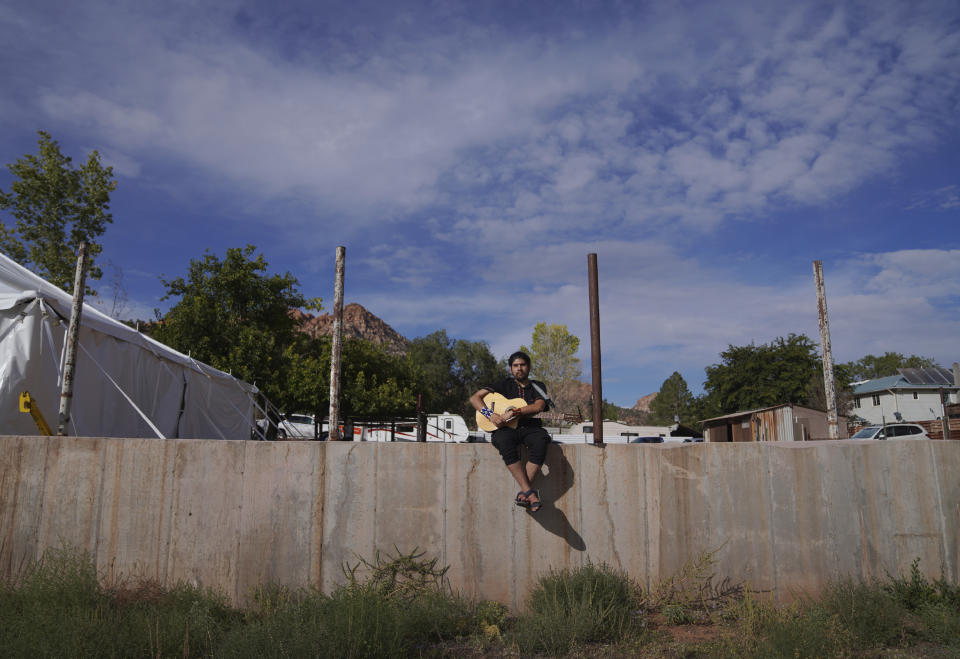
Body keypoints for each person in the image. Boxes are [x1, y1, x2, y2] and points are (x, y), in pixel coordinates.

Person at [469, 351, 551, 512]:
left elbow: (538, 406)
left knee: (541, 440)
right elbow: (475, 399)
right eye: (515, 366)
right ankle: (529, 492)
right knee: (503, 441)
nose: (519, 368)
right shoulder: (503, 385)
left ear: (529, 367)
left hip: (530, 427)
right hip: (506, 428)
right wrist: (490, 414)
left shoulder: (538, 386)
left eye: (522, 365)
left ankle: (524, 492)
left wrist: (514, 412)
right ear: (510, 369)